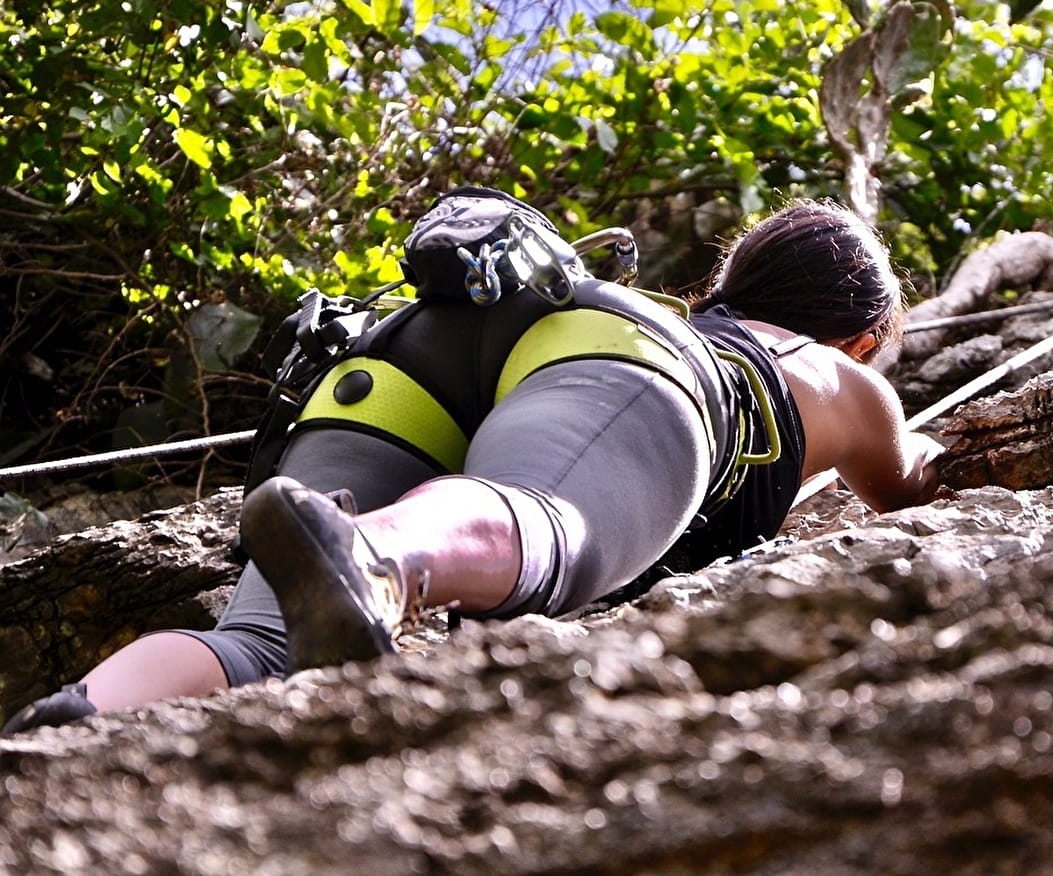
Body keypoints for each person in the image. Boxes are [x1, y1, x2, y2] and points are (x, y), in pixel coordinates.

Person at [2, 189, 943, 735]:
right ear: (863, 339)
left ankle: (77, 717)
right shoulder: (833, 374)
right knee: (539, 508)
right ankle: (378, 554)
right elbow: (909, 482)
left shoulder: (677, 313)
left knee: (260, 644)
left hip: (402, 354)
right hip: (612, 367)